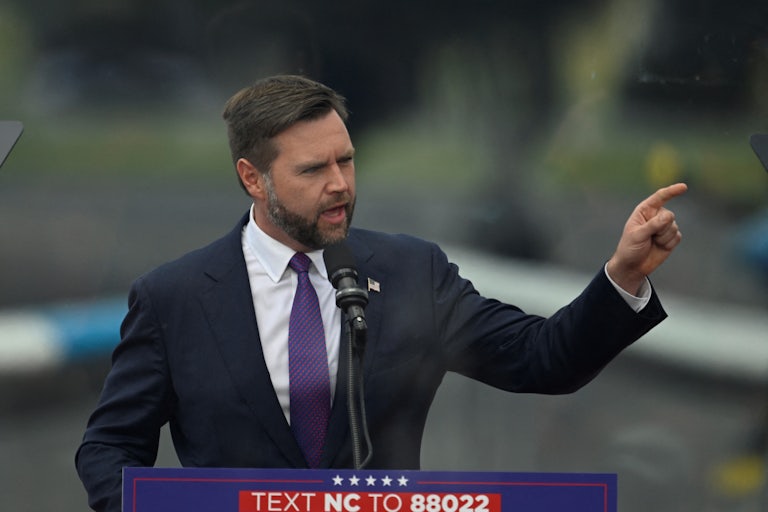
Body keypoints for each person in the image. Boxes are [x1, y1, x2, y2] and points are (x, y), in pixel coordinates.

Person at [75, 74, 687, 512]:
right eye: (314, 170)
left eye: (347, 160)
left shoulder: (409, 271)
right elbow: (109, 447)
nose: (340, 185)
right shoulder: (174, 297)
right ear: (252, 179)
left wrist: (624, 274)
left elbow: (544, 358)